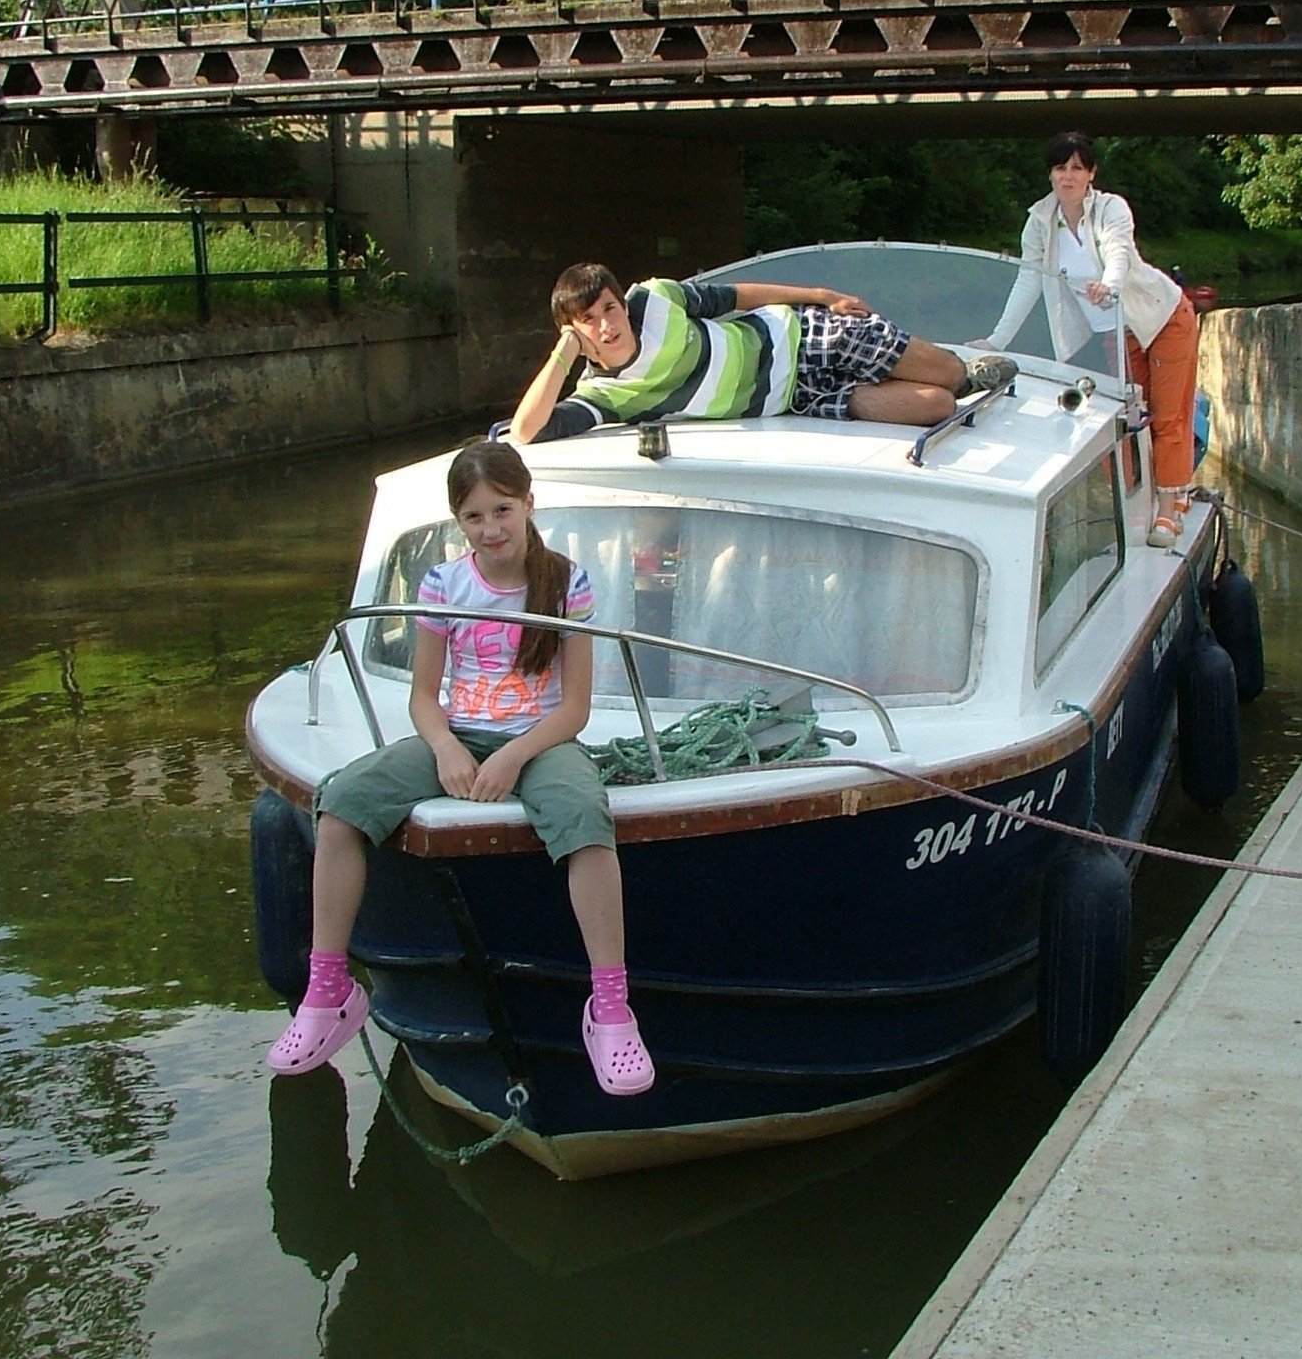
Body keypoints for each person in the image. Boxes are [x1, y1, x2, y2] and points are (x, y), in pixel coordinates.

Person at [266, 440, 654, 1097]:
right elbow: (424, 695)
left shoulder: (567, 582)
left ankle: (610, 1006)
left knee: (585, 818)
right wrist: (447, 748)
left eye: (502, 510)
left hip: (540, 739)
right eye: (473, 517)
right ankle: (327, 990)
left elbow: (577, 709)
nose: (491, 529)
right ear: (458, 522)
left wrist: (511, 755)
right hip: (457, 731)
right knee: (341, 807)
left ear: (529, 503)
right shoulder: (443, 585)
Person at [976, 132, 1200, 548]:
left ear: (1091, 174)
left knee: (1168, 416)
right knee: (1134, 417)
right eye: (1061, 167)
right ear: (1050, 174)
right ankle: (1149, 499)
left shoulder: (1110, 208)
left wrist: (1109, 285)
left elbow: (1119, 251)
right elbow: (1030, 279)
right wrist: (997, 340)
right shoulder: (1040, 222)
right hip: (1114, 331)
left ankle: (1169, 513)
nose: (1068, 175)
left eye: (1078, 167)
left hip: (1161, 317)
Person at [509, 263, 1016, 444]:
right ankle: (939, 387)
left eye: (609, 309)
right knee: (936, 407)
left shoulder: (657, 298)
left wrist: (821, 296)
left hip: (800, 335)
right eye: (589, 321)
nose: (607, 325)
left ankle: (969, 374)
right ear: (573, 331)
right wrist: (565, 353)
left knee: (949, 377)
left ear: (622, 302)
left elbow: (738, 296)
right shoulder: (605, 395)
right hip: (793, 397)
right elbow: (525, 432)